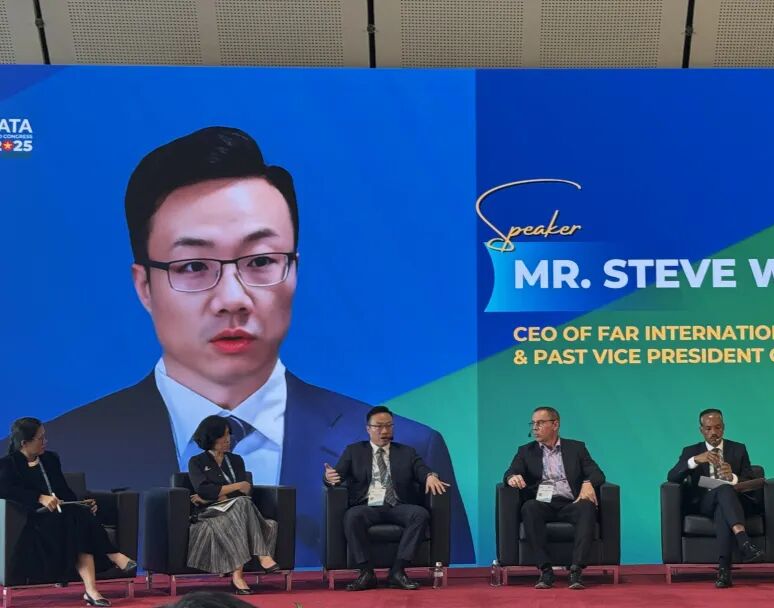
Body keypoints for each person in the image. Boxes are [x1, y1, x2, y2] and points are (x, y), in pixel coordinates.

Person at [32, 126, 472, 567]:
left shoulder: (416, 443)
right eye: (193, 266)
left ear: (294, 271)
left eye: (261, 261)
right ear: (144, 286)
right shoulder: (64, 451)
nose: (232, 299)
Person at [0, 418, 136, 607]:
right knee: (77, 520)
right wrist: (39, 497)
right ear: (24, 443)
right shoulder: (8, 464)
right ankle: (112, 554)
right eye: (40, 438)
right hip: (34, 520)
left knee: (78, 517)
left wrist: (81, 504)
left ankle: (92, 590)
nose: (45, 442)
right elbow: (6, 490)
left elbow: (64, 491)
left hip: (63, 517)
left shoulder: (50, 459)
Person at [324, 406, 450, 591]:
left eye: (389, 426)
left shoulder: (407, 452)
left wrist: (430, 476)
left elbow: (421, 469)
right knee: (352, 516)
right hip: (367, 506)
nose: (384, 431)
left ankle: (398, 571)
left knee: (420, 515)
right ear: (368, 428)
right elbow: (337, 475)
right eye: (379, 426)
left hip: (397, 505)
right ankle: (366, 572)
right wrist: (329, 478)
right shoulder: (354, 451)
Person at [503, 406, 605, 591]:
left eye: (540, 423)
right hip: (543, 503)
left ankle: (576, 570)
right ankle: (545, 570)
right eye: (533, 423)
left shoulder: (576, 448)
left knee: (587, 507)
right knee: (529, 507)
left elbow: (597, 473)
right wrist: (512, 478)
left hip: (571, 503)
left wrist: (588, 482)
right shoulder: (525, 451)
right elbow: (511, 471)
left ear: (555, 424)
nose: (535, 428)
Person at [667, 408, 764, 588]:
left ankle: (724, 571)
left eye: (718, 428)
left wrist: (733, 477)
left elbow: (751, 482)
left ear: (723, 428)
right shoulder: (691, 451)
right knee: (722, 490)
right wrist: (695, 460)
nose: (714, 432)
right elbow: (672, 476)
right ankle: (743, 541)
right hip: (705, 502)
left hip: (732, 502)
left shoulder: (738, 449)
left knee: (723, 501)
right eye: (709, 428)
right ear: (701, 430)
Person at [185, 416, 279, 595]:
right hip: (210, 513)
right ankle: (263, 555)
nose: (228, 439)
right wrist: (235, 486)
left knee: (242, 504)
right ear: (211, 437)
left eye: (229, 434)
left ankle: (238, 576)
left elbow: (245, 492)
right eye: (223, 435)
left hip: (236, 508)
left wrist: (215, 495)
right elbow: (205, 490)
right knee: (243, 504)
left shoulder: (236, 460)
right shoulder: (196, 462)